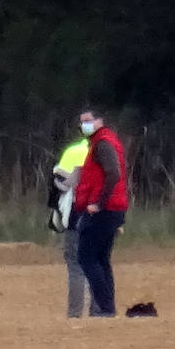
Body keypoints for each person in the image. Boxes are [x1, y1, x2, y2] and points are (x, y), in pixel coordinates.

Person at [73, 108, 129, 317]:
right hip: (114, 208)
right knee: (102, 258)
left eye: (88, 121)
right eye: (82, 122)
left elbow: (113, 173)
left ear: (99, 121)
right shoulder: (106, 141)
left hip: (104, 210)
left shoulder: (102, 144)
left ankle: (105, 307)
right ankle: (107, 307)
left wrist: (99, 203)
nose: (84, 125)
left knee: (86, 257)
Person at [46, 134, 99, 317]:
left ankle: (75, 314)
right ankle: (100, 312)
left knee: (76, 267)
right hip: (102, 219)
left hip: (77, 218)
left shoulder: (73, 152)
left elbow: (60, 186)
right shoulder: (109, 153)